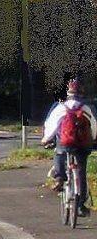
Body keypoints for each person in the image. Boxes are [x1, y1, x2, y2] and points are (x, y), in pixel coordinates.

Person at [42, 78, 96, 216]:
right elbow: (94, 127)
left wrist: (46, 140)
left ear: (68, 93)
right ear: (81, 93)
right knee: (81, 171)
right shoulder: (86, 108)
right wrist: (93, 139)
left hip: (65, 144)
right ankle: (81, 204)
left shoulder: (61, 108)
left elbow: (51, 127)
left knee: (59, 153)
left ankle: (60, 178)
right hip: (82, 146)